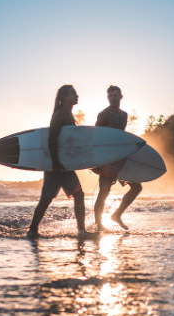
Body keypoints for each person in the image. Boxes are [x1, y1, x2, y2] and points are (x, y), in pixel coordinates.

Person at [28, 85, 86, 238]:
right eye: (73, 93)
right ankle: (32, 230)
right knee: (46, 199)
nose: (77, 95)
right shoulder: (60, 115)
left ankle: (81, 231)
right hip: (56, 166)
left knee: (78, 195)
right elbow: (51, 138)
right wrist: (55, 163)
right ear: (65, 97)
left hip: (64, 165)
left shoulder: (68, 115)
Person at [93, 85, 142, 231]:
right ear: (108, 98)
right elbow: (96, 135)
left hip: (121, 157)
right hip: (107, 158)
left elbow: (121, 136)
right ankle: (98, 224)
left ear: (121, 97)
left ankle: (117, 214)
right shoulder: (103, 115)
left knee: (137, 187)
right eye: (110, 96)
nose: (113, 98)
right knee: (104, 190)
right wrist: (97, 160)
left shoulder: (124, 115)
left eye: (116, 96)